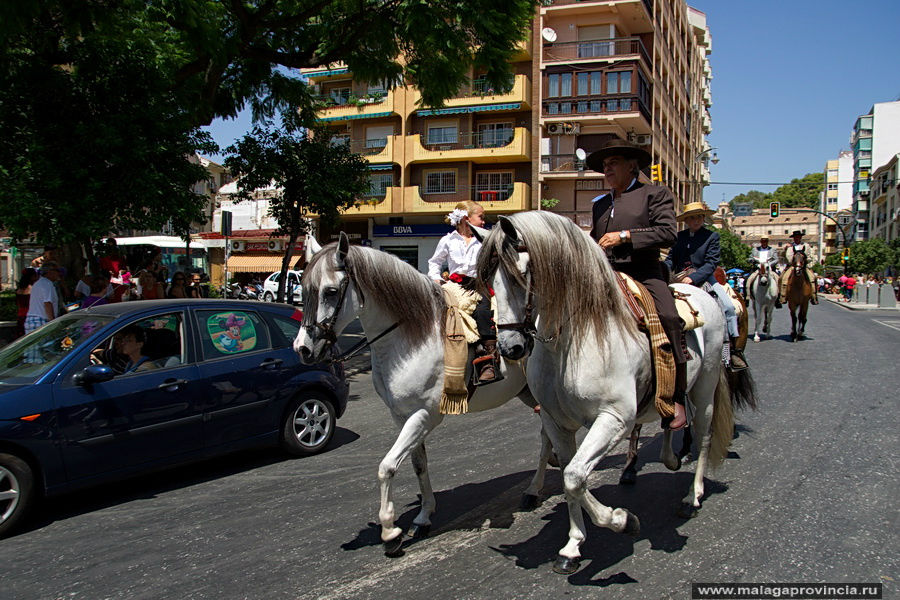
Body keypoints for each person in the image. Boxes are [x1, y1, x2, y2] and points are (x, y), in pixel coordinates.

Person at [586, 138, 686, 430]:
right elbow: (596, 238)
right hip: (607, 273)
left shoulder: (654, 194)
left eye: (612, 163)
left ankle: (677, 394)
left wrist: (626, 236)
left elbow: (667, 233)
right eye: (604, 165)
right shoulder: (601, 204)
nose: (607, 169)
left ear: (632, 167)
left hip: (644, 271)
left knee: (669, 317)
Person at [664, 202, 747, 371]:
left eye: (699, 217)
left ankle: (733, 351)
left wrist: (694, 277)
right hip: (678, 277)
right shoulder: (678, 237)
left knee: (729, 307)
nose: (696, 221)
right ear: (686, 220)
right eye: (692, 218)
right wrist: (662, 269)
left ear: (703, 218)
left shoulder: (711, 237)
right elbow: (671, 260)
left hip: (705, 278)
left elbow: (711, 263)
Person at [427, 200, 497, 383]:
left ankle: (487, 361)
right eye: (480, 217)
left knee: (482, 312)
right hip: (453, 286)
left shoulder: (486, 239)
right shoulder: (448, 240)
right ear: (467, 218)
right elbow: (434, 262)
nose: (483, 221)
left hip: (478, 285)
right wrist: (436, 279)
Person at [779, 230, 818, 305]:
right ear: (793, 238)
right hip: (792, 266)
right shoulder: (790, 246)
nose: (797, 238)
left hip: (803, 266)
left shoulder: (806, 246)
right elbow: (786, 256)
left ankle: (814, 296)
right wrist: (785, 249)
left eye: (798, 237)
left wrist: (805, 261)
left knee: (813, 277)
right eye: (795, 237)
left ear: (800, 237)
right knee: (782, 278)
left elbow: (810, 256)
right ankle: (782, 296)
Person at [24, 262, 62, 334]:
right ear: (50, 271)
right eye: (57, 271)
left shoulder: (39, 283)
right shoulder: (47, 284)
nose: (59, 273)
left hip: (32, 321)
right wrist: (52, 324)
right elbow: (47, 303)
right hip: (40, 321)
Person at [747, 235, 781, 306]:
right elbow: (749, 258)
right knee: (748, 280)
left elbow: (776, 259)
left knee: (778, 280)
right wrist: (754, 261)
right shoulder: (755, 250)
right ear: (761, 241)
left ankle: (778, 299)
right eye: (763, 240)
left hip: (769, 269)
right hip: (758, 269)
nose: (764, 242)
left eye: (766, 241)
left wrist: (768, 265)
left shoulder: (772, 250)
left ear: (768, 241)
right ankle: (747, 297)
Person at [15, 268, 39, 339]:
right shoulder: (32, 288)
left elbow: (18, 304)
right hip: (30, 314)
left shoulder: (19, 290)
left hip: (20, 315)